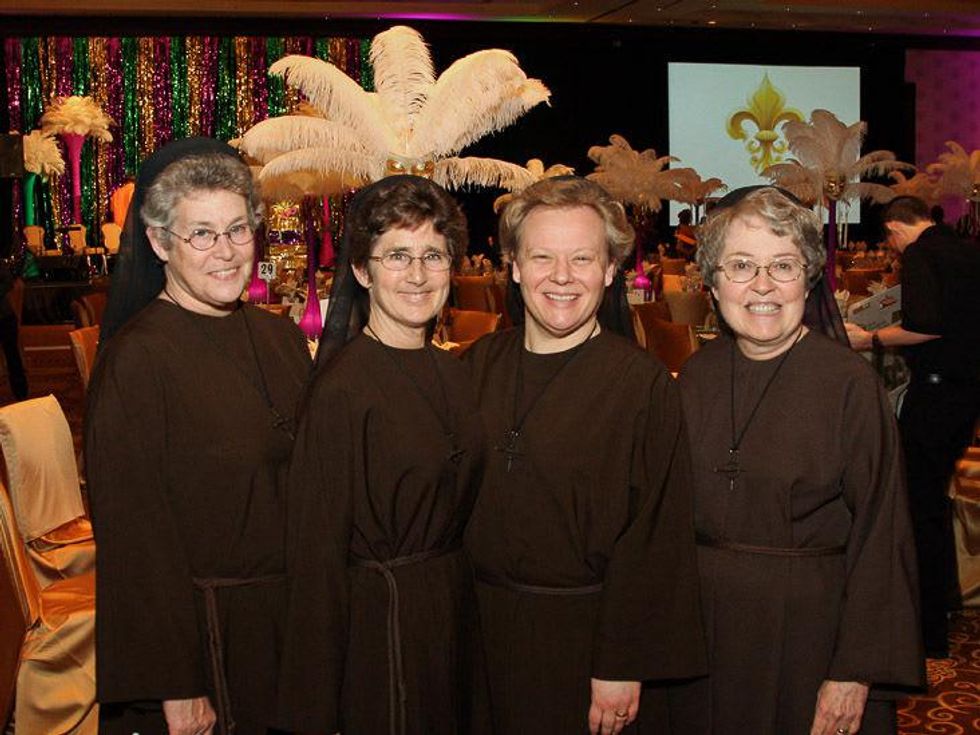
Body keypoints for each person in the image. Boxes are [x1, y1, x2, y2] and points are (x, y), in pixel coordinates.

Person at [669, 186, 923, 735]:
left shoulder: (849, 385)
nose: (762, 285)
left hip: (811, 639)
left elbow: (884, 534)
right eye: (741, 265)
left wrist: (854, 671)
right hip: (704, 639)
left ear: (808, 279)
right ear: (713, 282)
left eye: (782, 266)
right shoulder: (693, 378)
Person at [464, 176, 706, 735]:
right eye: (542, 257)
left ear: (609, 270)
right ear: (515, 267)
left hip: (588, 644)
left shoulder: (642, 385)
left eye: (582, 258)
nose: (562, 277)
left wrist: (622, 662)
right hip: (480, 633)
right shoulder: (474, 367)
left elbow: (656, 538)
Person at [86, 137, 311, 735]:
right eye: (202, 234)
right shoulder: (137, 362)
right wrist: (175, 684)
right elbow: (136, 541)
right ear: (159, 242)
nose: (227, 252)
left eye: (238, 230)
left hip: (283, 634)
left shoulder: (281, 340)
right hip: (201, 648)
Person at [275, 176, 486, 735]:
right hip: (382, 633)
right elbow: (315, 553)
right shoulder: (341, 390)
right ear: (363, 272)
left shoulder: (454, 371)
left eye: (432, 256)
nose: (417, 275)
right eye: (397, 255)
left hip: (451, 618)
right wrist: (313, 702)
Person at [846, 195, 980, 658]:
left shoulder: (922, 253)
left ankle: (926, 632)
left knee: (917, 503)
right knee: (934, 500)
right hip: (967, 396)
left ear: (895, 229)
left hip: (937, 394)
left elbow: (927, 326)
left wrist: (869, 338)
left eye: (892, 242)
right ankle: (943, 603)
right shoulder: (966, 248)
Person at [0, 260, 27, 400]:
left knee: (12, 357)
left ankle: (21, 394)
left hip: (4, 316)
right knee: (13, 356)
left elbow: (8, 282)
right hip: (5, 316)